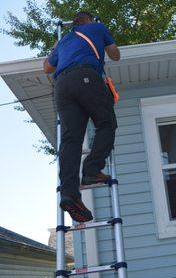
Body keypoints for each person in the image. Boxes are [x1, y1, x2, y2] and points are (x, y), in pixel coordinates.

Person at [43, 11, 120, 223]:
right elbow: (116, 55)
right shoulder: (97, 27)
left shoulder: (64, 41)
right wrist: (103, 37)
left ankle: (70, 193)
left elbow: (47, 68)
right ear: (89, 20)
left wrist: (56, 50)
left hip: (62, 86)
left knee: (71, 139)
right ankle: (92, 170)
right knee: (106, 124)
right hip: (86, 76)